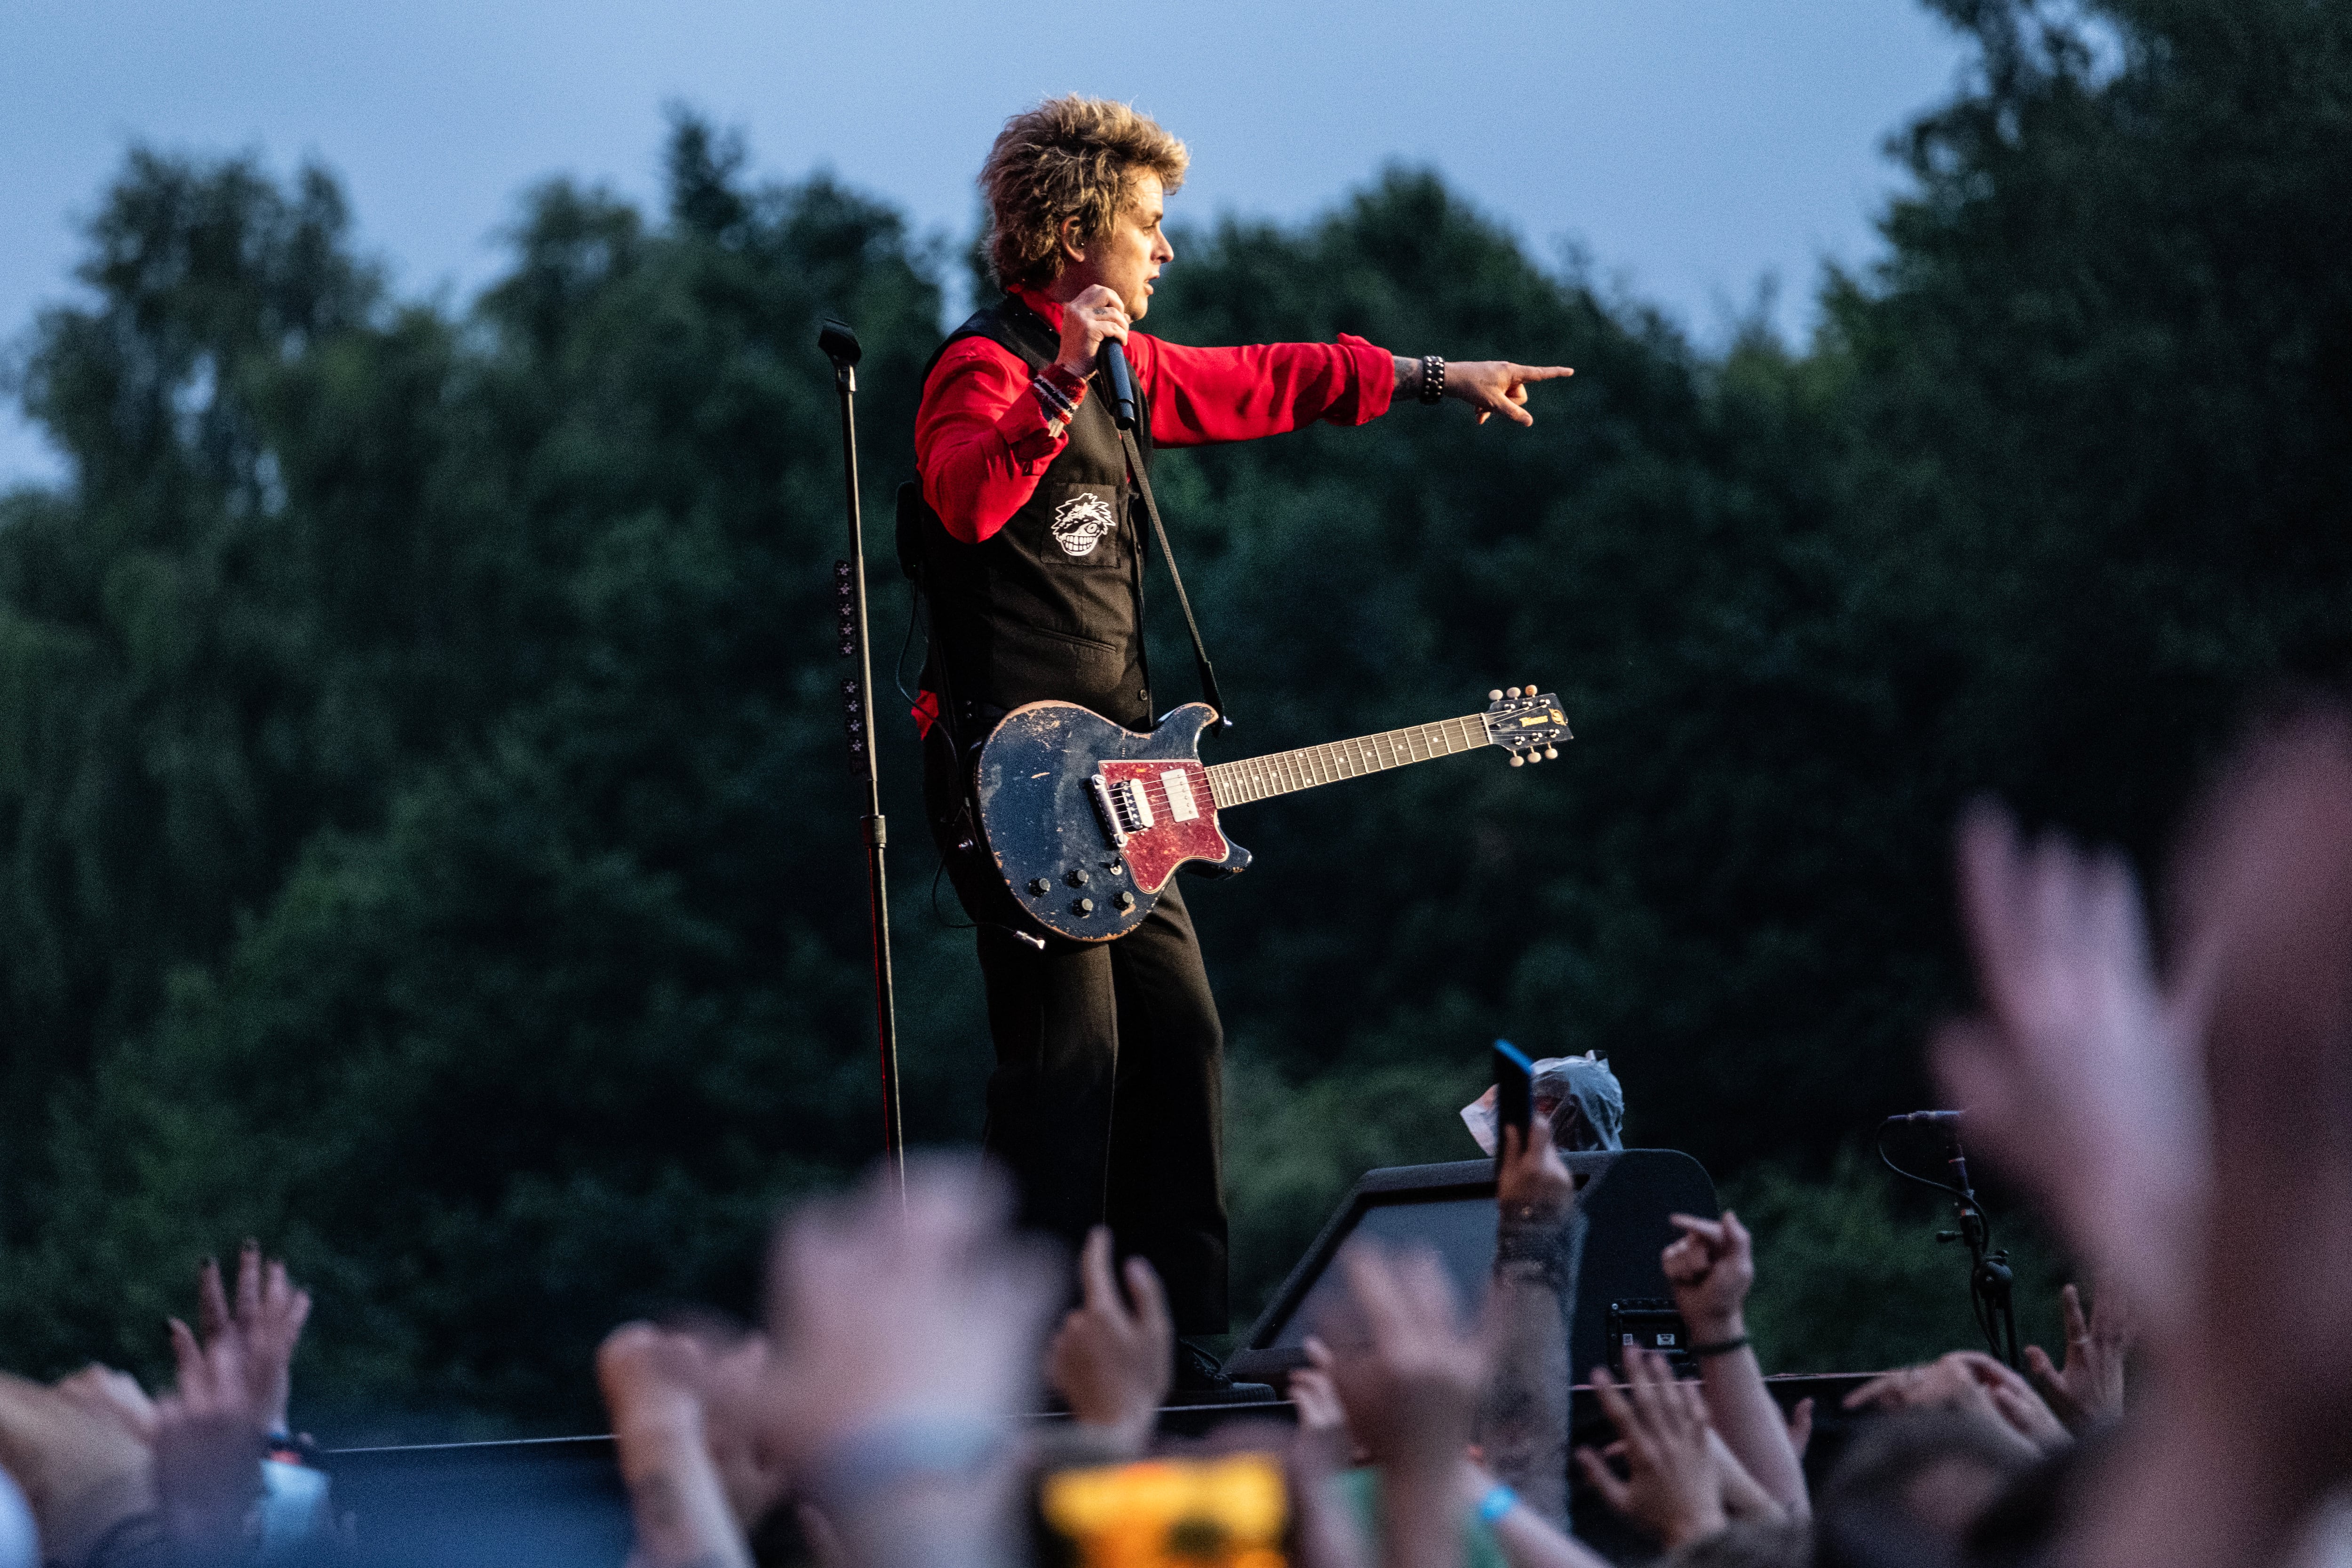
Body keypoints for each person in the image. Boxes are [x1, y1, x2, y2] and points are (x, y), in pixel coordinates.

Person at [907, 94, 1576, 1380]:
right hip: (1009, 782)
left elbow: (1271, 380)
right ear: (1077, 228)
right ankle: (1022, 1357)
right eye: (1150, 225)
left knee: (1180, 1037)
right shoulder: (985, 368)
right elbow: (964, 501)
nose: (1167, 250)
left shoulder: (1126, 371)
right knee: (1070, 1064)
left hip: (1126, 779)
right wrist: (1053, 382)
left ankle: (1188, 1346)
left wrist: (1437, 378)